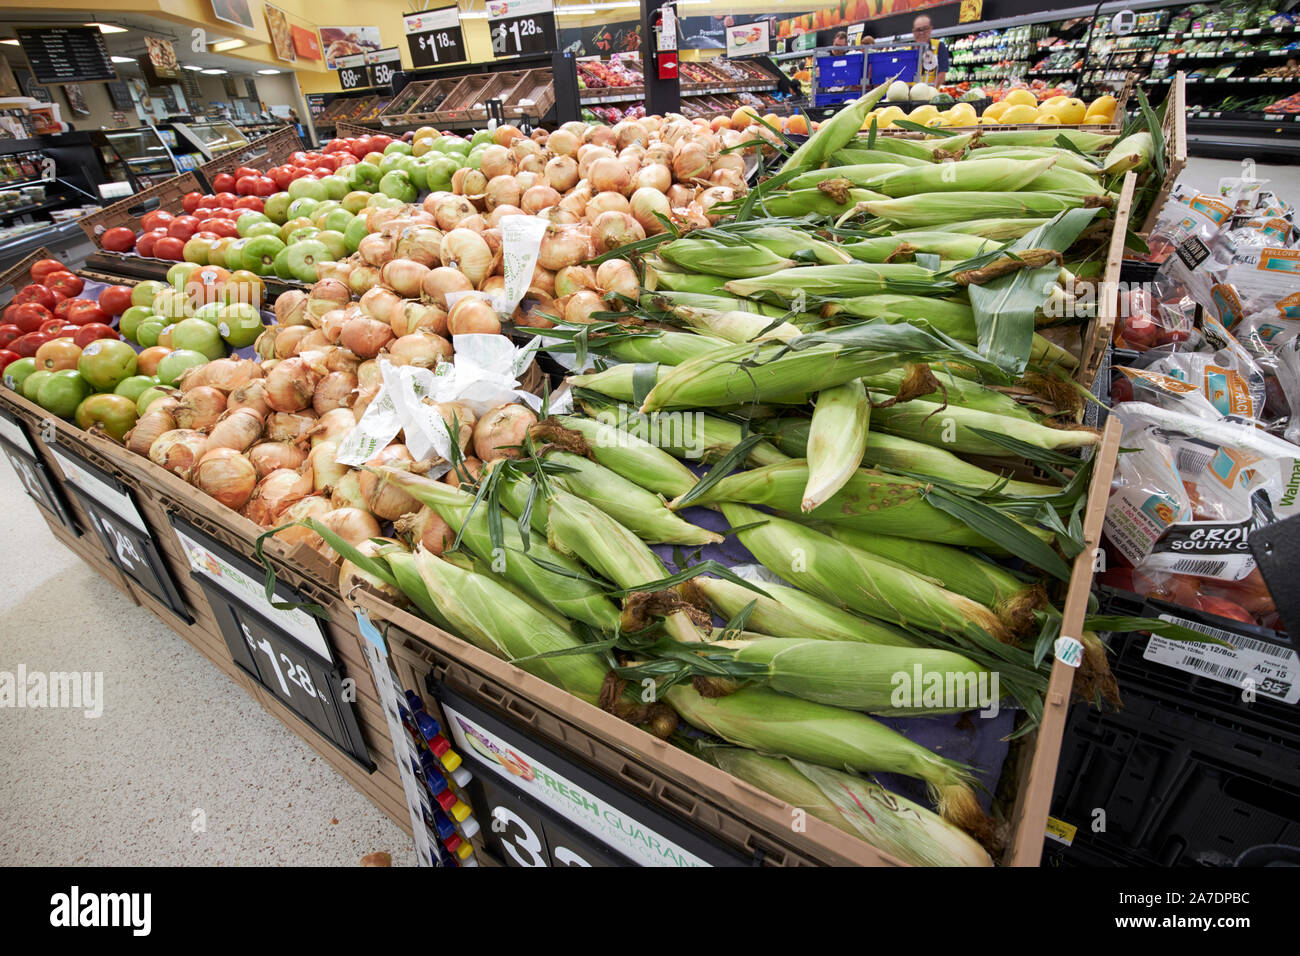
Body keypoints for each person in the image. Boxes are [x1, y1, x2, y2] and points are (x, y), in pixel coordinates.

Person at [912, 15, 948, 85]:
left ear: (931, 29)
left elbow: (941, 76)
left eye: (925, 29)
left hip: (932, 94)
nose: (921, 33)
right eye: (918, 30)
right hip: (910, 94)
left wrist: (928, 91)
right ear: (913, 32)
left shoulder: (939, 46)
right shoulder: (907, 50)